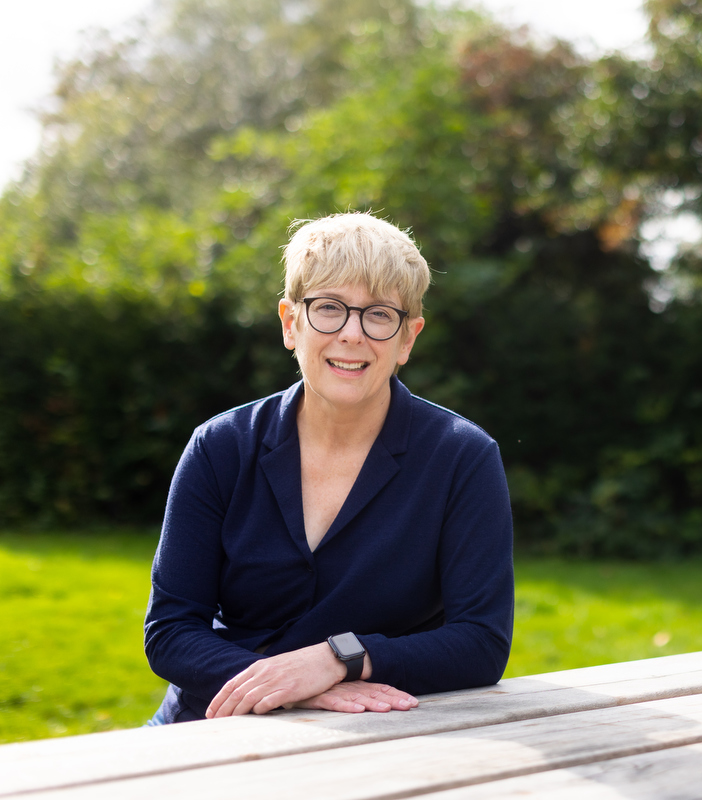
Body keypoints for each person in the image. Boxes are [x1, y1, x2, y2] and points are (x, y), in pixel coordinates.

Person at [144, 213, 514, 724]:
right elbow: (170, 630)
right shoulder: (219, 447)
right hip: (210, 728)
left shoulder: (462, 457)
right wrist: (288, 686)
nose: (351, 334)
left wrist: (340, 658)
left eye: (379, 315)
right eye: (329, 309)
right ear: (290, 323)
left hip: (376, 736)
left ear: (408, 338)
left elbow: (481, 642)